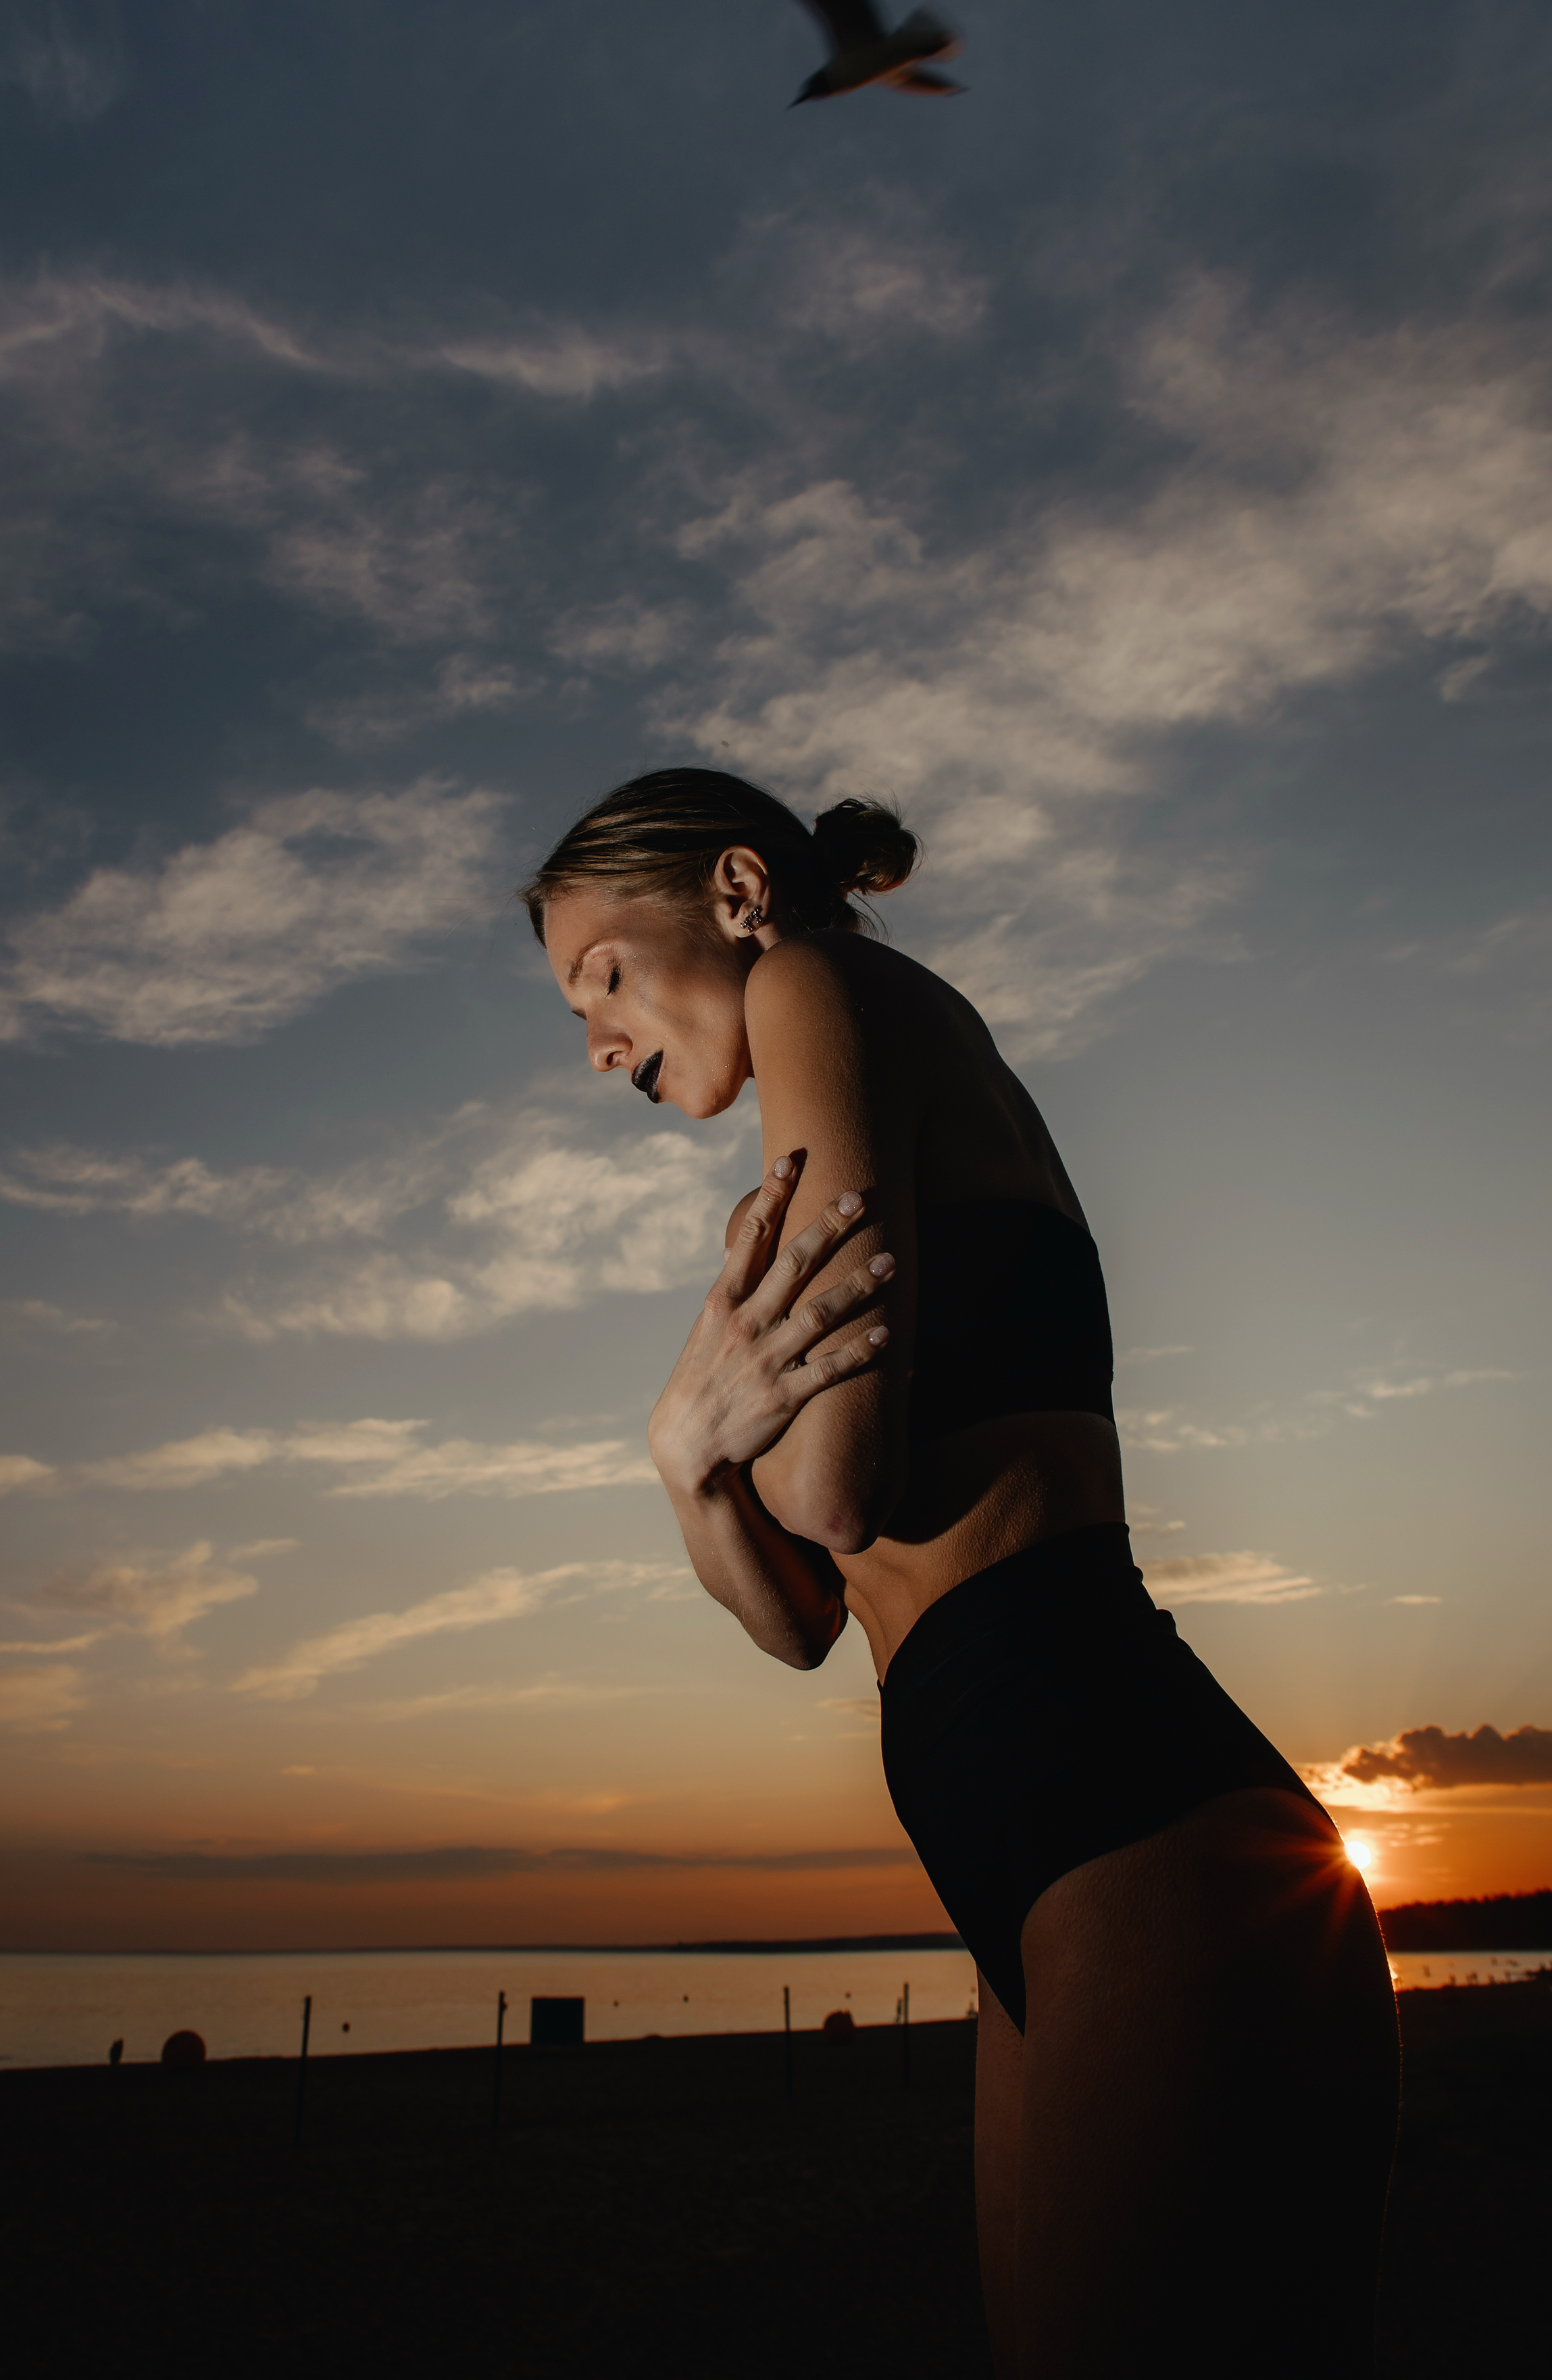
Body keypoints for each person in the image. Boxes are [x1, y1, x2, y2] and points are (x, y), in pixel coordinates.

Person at [525, 768, 1399, 2379]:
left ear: (735, 893)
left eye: (602, 979)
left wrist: (736, 1430)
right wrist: (684, 1452)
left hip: (1127, 1826)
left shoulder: (812, 981)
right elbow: (799, 1619)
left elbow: (834, 1492)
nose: (593, 1043)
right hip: (1047, 1857)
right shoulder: (805, 1164)